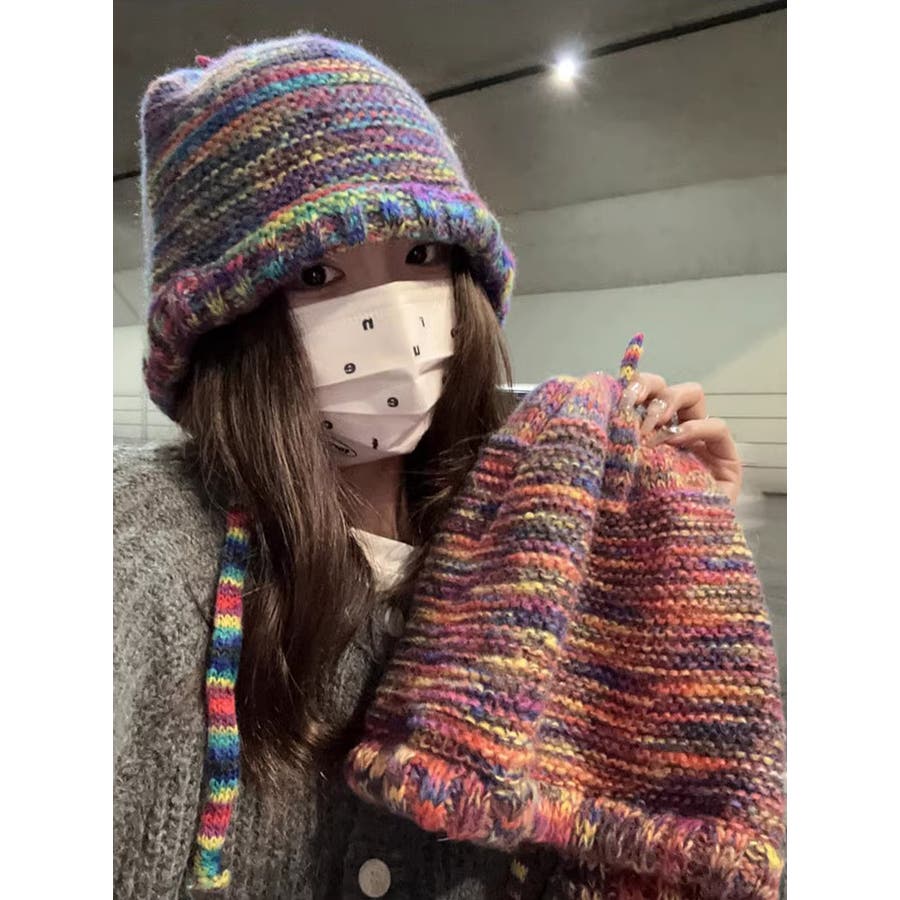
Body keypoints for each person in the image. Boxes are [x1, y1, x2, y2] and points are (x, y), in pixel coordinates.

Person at [114, 32, 781, 899]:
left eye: (423, 256)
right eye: (316, 272)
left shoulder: (528, 532)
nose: (394, 319)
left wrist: (661, 554)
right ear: (224, 323)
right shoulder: (140, 552)